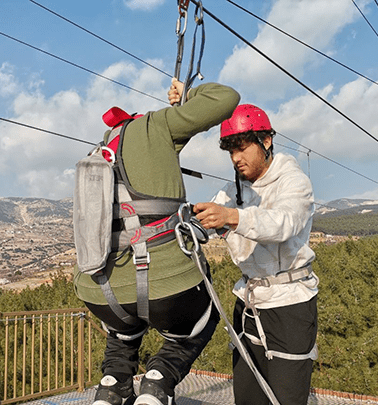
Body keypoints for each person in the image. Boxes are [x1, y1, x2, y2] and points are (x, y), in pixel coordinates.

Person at [74, 79, 240, 405]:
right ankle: (158, 381)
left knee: (124, 332)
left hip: (100, 291)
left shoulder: (101, 150)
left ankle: (112, 386)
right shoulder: (158, 124)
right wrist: (188, 96)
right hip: (167, 284)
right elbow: (225, 98)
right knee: (200, 322)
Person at [193, 104, 319, 405]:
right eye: (230, 151)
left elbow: (283, 224)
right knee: (248, 398)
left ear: (266, 141)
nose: (236, 158)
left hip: (289, 306)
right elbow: (209, 221)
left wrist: (232, 217)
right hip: (248, 303)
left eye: (242, 148)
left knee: (285, 399)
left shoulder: (294, 182)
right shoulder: (232, 190)